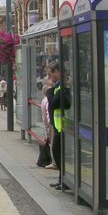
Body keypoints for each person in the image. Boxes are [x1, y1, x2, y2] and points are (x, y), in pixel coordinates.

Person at [46, 61, 71, 191]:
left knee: (57, 152)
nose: (49, 78)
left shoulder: (61, 86)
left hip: (62, 125)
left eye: (50, 75)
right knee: (58, 153)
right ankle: (62, 179)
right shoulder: (59, 85)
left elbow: (54, 103)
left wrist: (49, 89)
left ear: (57, 72)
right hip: (57, 125)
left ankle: (64, 180)